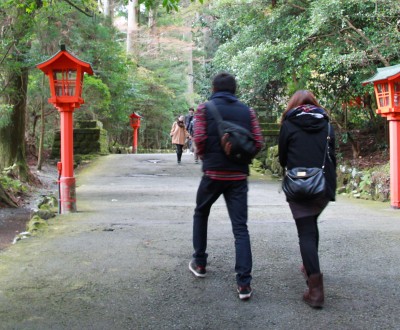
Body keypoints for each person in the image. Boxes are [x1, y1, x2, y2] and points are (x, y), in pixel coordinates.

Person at [188, 72, 264, 300]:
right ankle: (244, 284)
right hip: (238, 176)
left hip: (212, 174)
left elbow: (199, 138)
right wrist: (242, 157)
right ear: (234, 89)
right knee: (240, 227)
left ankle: (200, 263)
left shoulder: (204, 109)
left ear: (213, 88)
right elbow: (258, 142)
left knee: (201, 213)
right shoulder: (247, 111)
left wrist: (206, 158)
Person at [278, 90, 336, 308]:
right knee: (310, 226)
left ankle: (315, 292)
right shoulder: (327, 124)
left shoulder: (288, 124)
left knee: (306, 232)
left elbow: (283, 158)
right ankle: (309, 267)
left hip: (299, 185)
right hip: (323, 186)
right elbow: (332, 155)